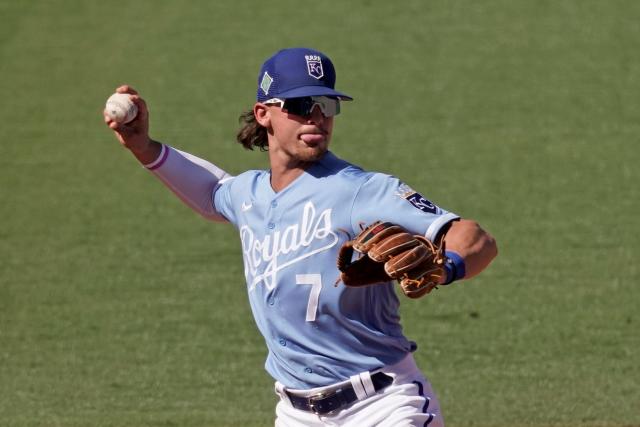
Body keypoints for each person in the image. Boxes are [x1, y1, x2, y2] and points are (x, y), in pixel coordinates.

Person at [104, 47, 497, 427]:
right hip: (295, 414)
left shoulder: (361, 189)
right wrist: (142, 145)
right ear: (264, 114)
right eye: (300, 105)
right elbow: (211, 193)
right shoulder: (249, 195)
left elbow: (475, 237)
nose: (316, 118)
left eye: (326, 106)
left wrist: (444, 268)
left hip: (382, 406)